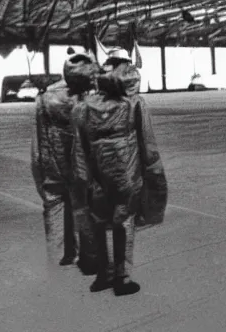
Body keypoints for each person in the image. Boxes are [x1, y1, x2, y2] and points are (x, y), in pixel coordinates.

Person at [71, 49, 167, 296]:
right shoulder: (134, 103)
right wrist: (154, 175)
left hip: (96, 177)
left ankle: (104, 275)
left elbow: (79, 150)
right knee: (124, 222)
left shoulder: (83, 107)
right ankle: (122, 280)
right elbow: (148, 144)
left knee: (100, 223)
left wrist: (83, 180)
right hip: (127, 175)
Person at [31, 52, 99, 274]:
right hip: (82, 168)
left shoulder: (46, 97)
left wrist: (39, 171)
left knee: (54, 211)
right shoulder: (93, 99)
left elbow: (38, 140)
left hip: (52, 166)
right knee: (84, 210)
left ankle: (56, 261)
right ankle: (88, 259)